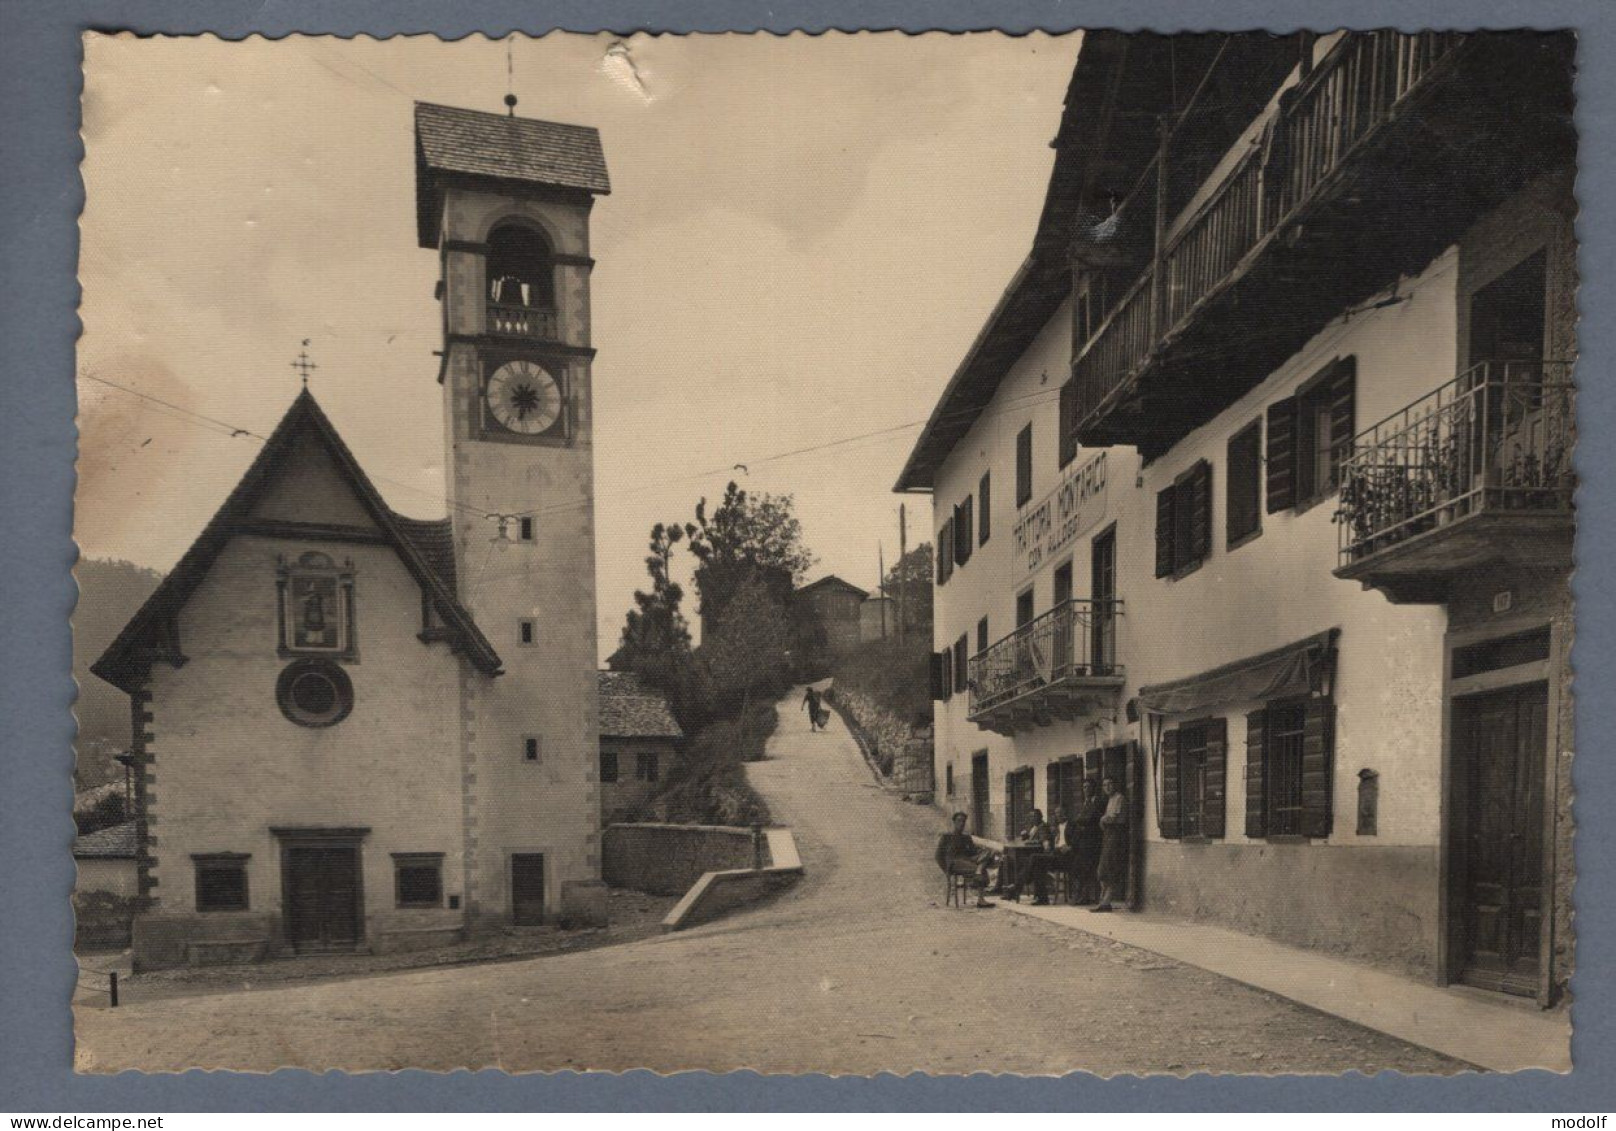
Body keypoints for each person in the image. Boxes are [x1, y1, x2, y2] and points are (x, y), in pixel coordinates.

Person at [935, 811, 997, 908]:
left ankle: (978, 874)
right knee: (981, 870)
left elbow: (973, 852)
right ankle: (980, 898)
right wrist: (946, 870)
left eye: (963, 821)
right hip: (954, 863)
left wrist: (983, 852)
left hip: (968, 861)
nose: (962, 823)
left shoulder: (966, 837)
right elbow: (938, 856)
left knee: (988, 853)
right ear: (954, 822)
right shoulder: (946, 837)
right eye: (959, 821)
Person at [1028, 806, 1078, 905]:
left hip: (1066, 858)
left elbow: (1077, 843)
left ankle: (1020, 884)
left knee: (1034, 858)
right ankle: (1043, 898)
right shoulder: (1056, 828)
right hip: (1055, 855)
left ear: (1066, 814)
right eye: (1057, 814)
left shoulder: (1073, 826)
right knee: (1037, 863)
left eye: (1060, 813)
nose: (1058, 816)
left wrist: (1069, 847)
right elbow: (1048, 840)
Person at [1093, 776, 1129, 913]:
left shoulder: (1119, 798)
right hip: (1108, 835)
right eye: (1104, 785)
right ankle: (1104, 901)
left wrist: (1103, 820)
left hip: (1116, 836)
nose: (1107, 787)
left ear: (1115, 785)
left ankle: (1106, 902)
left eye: (1110, 784)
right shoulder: (1110, 800)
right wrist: (1104, 821)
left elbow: (1113, 818)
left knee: (1109, 869)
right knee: (1102, 870)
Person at [1004, 808, 1051, 902]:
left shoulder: (1042, 827)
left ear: (1040, 817)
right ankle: (1007, 891)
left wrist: (1031, 842)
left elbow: (1043, 840)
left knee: (1019, 863)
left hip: (1036, 854)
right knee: (1006, 861)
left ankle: (1015, 889)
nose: (1032, 819)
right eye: (1031, 817)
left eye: (1034, 817)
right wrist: (1026, 837)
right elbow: (1030, 839)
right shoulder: (1033, 827)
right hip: (1029, 855)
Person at [1072, 777, 1105, 905]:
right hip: (1083, 842)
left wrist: (1079, 821)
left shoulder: (1098, 802)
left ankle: (1090, 896)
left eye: (1089, 787)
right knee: (1080, 868)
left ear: (1094, 788)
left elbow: (1092, 819)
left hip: (1094, 841)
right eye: (1084, 787)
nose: (1086, 790)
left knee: (1090, 869)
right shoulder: (1084, 803)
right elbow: (1081, 820)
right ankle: (1082, 896)